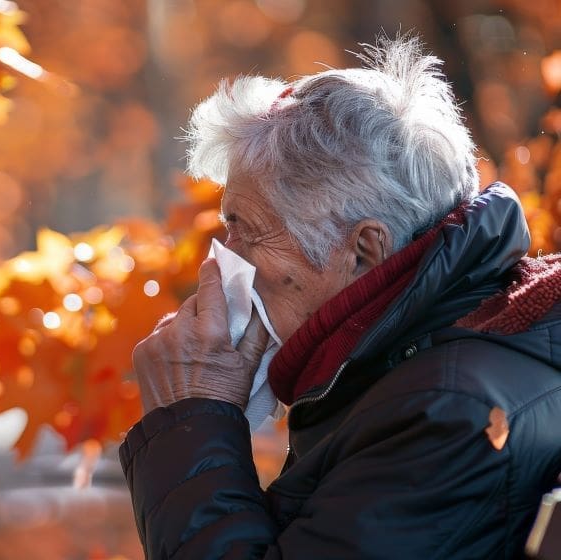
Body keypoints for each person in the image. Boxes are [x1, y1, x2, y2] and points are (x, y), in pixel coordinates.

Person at [122, 35, 561, 559]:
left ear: (364, 250)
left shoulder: (440, 413)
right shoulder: (418, 359)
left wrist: (190, 417)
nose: (222, 261)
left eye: (248, 230)